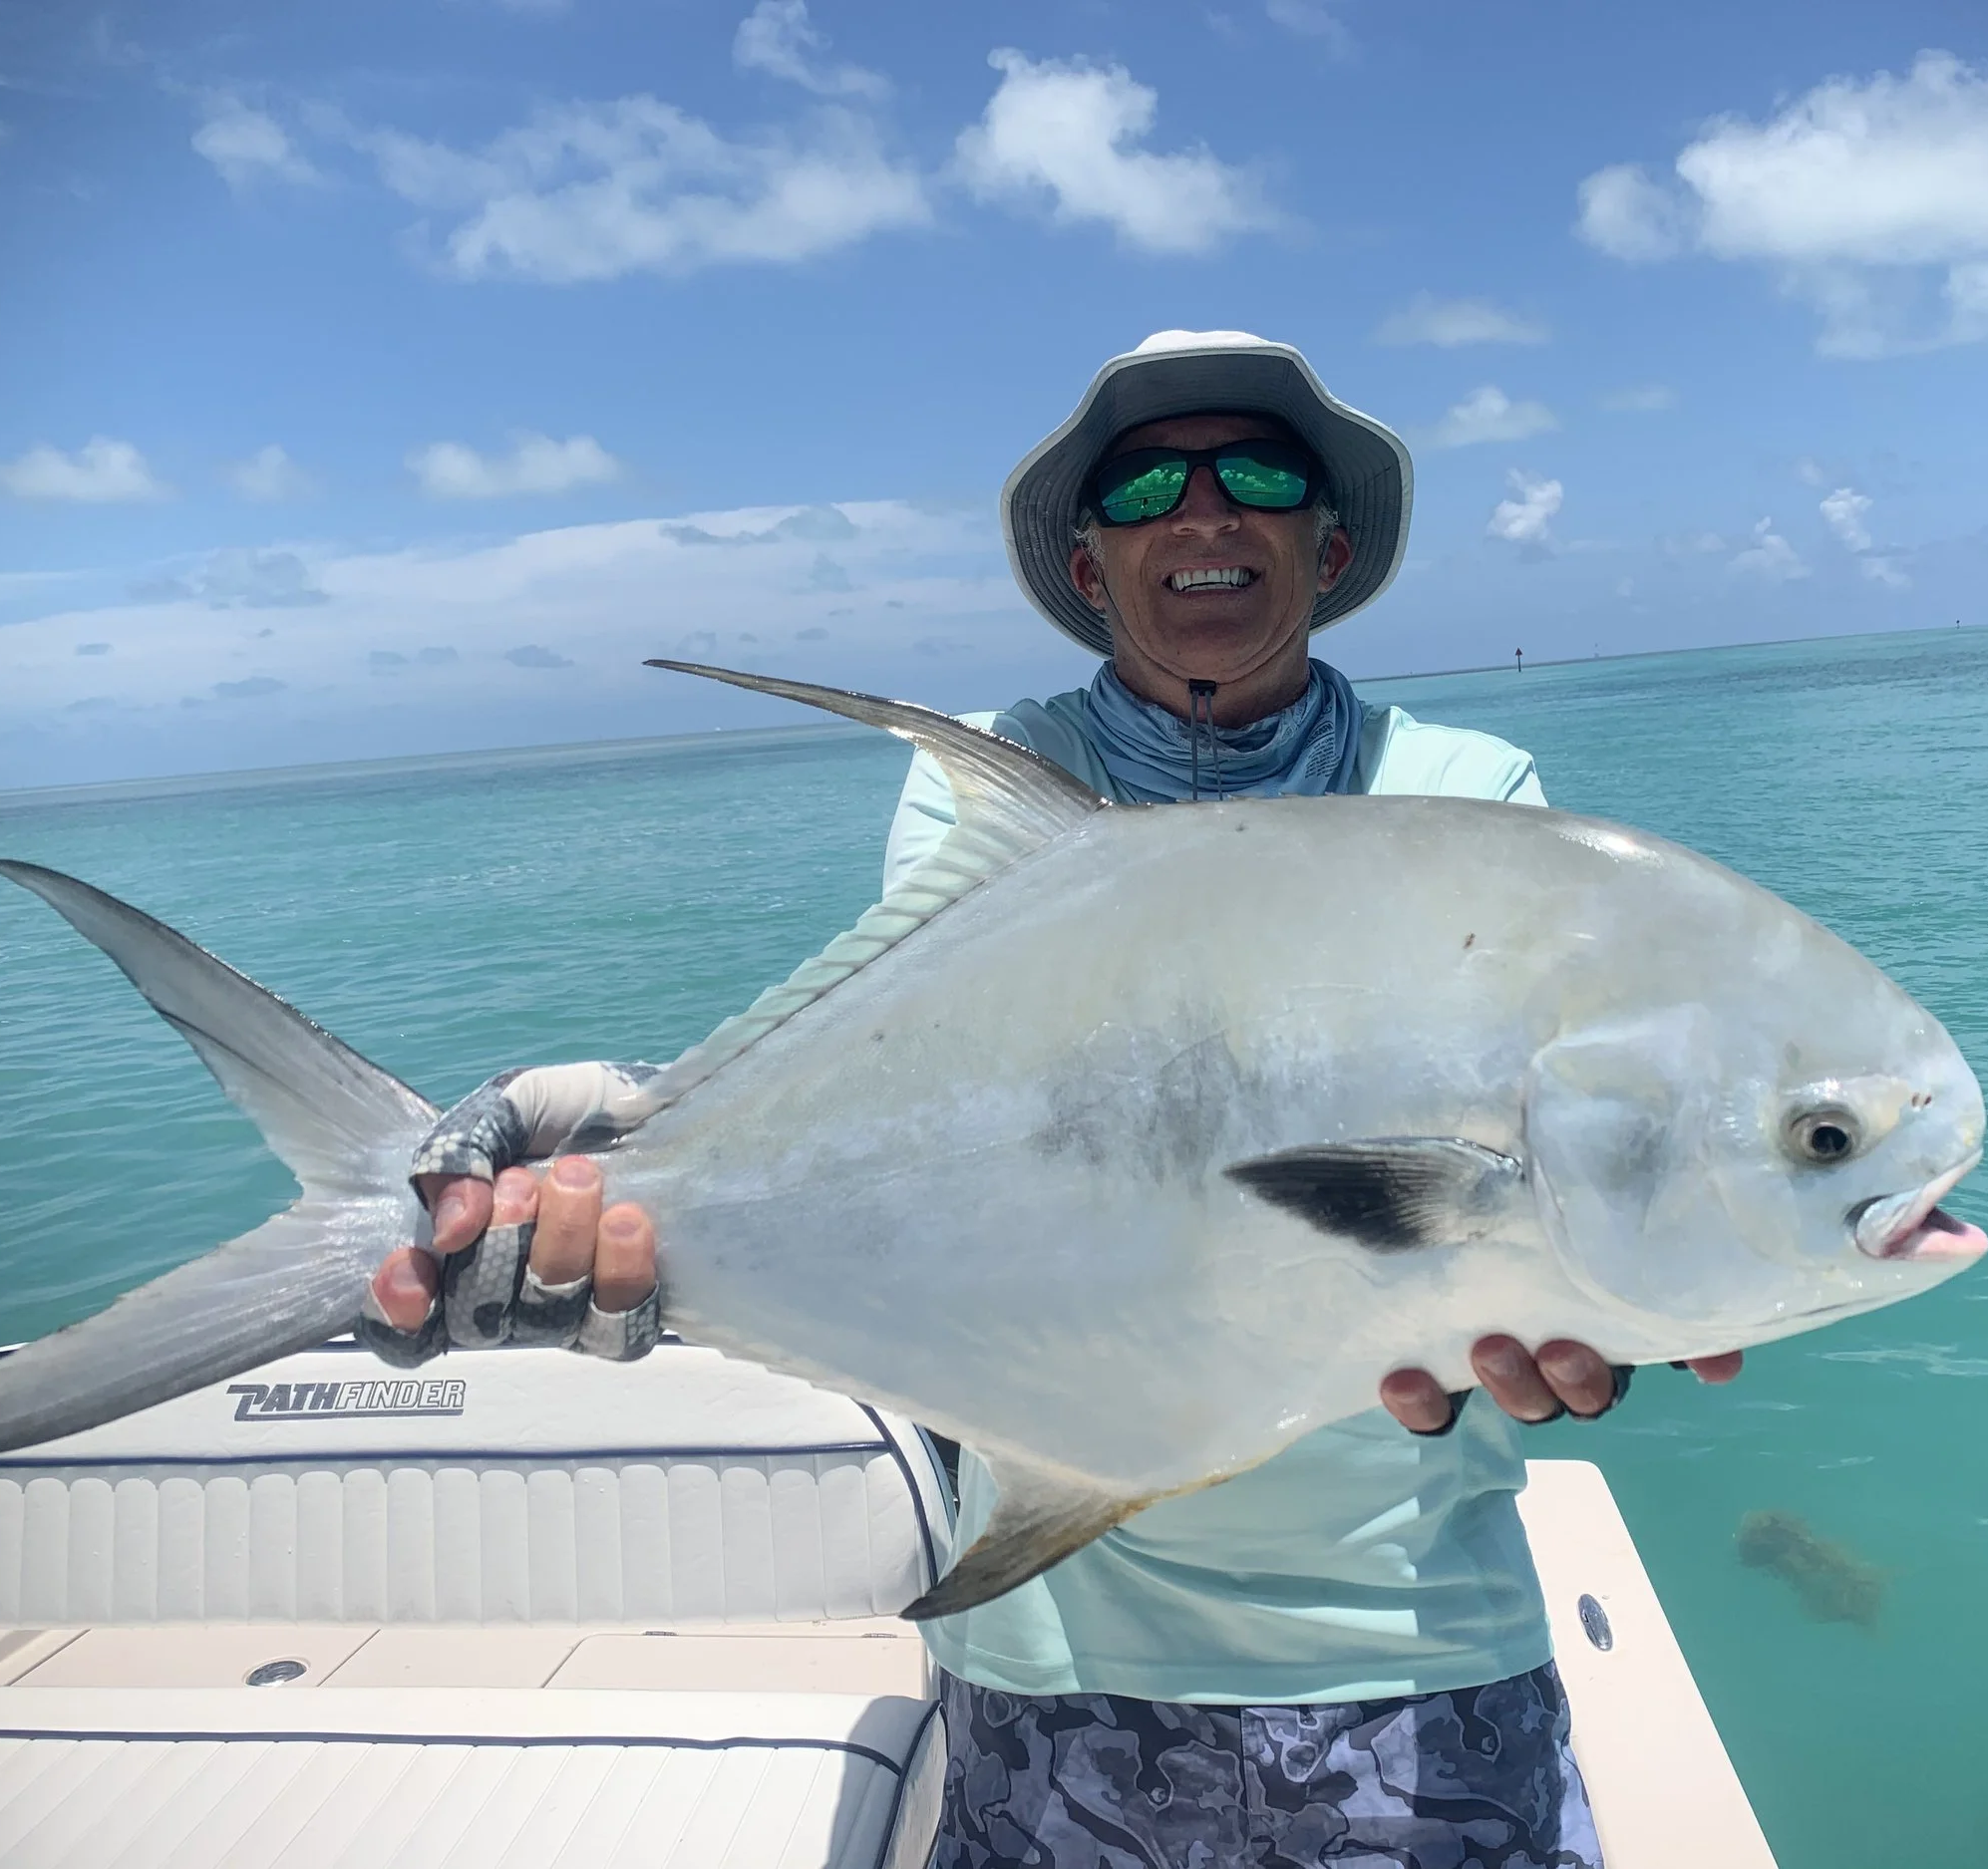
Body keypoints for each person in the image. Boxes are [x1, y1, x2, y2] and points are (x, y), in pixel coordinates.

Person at [356, 330, 1739, 1867]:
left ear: (1326, 542)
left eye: (1260, 474)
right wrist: (617, 1119)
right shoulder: (996, 778)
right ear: (1092, 567)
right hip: (1058, 1657)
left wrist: (1619, 1303)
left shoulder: (1471, 793)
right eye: (1149, 481)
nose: (1204, 511)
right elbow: (943, 1113)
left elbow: (1525, 1157)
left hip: (1418, 1644)